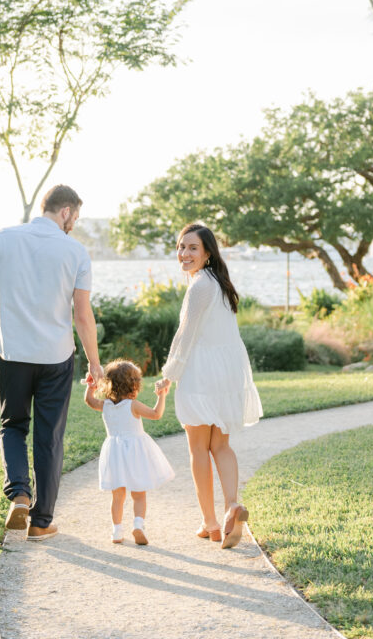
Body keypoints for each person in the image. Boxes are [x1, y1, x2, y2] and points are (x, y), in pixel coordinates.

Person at [0, 184, 103, 542]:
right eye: (76, 217)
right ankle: (41, 522)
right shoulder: (76, 251)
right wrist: (95, 363)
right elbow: (82, 315)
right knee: (49, 437)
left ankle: (20, 494)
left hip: (12, 354)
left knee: (13, 425)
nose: (74, 224)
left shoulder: (2, 238)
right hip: (56, 356)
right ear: (66, 212)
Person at [156, 222, 262, 549]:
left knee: (199, 449)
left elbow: (184, 337)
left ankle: (211, 522)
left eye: (192, 248)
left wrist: (169, 375)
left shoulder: (200, 286)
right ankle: (232, 505)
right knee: (221, 446)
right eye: (181, 247)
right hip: (225, 374)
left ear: (207, 253)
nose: (184, 254)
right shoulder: (219, 283)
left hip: (202, 374)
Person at [84, 359, 175, 546]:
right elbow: (156, 414)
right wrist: (162, 395)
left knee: (117, 496)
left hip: (115, 454)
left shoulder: (106, 405)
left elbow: (89, 401)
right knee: (139, 494)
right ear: (134, 384)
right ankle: (138, 525)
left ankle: (117, 531)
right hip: (135, 453)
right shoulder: (133, 405)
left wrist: (91, 386)